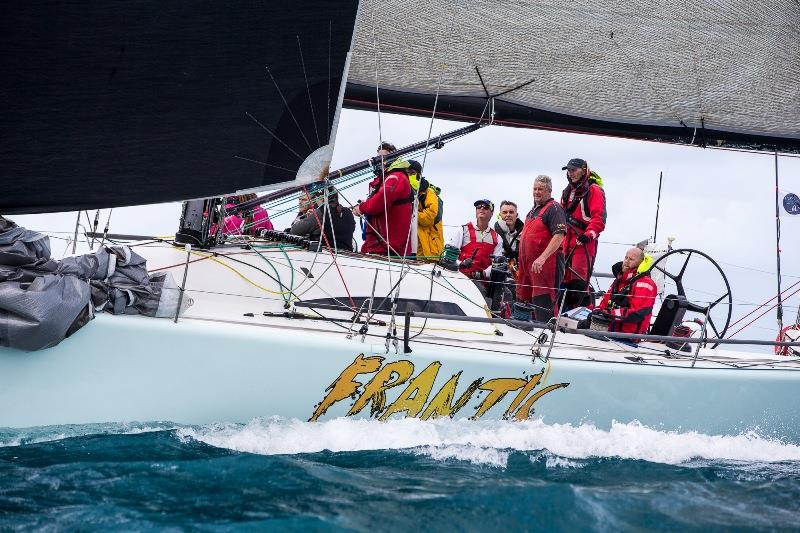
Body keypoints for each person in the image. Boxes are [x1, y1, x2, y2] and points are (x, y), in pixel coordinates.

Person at [515, 175, 566, 322]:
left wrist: (543, 258)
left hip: (545, 266)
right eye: (535, 189)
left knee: (543, 302)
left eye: (541, 189)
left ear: (549, 191)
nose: (537, 192)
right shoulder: (531, 212)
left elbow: (559, 235)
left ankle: (547, 332)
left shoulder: (554, 209)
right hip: (527, 268)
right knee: (522, 301)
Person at [560, 158, 606, 310]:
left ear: (584, 170)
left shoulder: (594, 191)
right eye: (569, 170)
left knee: (578, 286)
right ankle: (562, 316)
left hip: (583, 245)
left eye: (574, 170)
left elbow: (598, 220)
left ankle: (583, 317)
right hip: (565, 243)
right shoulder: (567, 191)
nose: (571, 173)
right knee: (562, 283)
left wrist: (589, 234)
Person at [352, 142, 414, 256]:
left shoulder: (395, 177)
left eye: (382, 158)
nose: (378, 161)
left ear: (392, 159)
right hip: (379, 245)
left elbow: (378, 203)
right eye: (377, 158)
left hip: (390, 248)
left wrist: (361, 207)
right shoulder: (384, 179)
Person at [593, 247, 657, 336]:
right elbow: (605, 302)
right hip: (609, 331)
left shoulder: (645, 283)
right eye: (626, 257)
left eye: (631, 259)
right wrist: (596, 312)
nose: (626, 261)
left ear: (640, 263)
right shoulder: (619, 280)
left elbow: (637, 313)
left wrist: (608, 314)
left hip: (628, 337)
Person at [444, 200, 502, 288]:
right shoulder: (462, 230)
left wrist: (484, 273)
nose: (482, 209)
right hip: (459, 281)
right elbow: (448, 256)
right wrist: (461, 263)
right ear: (476, 211)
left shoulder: (497, 237)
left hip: (483, 285)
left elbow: (498, 264)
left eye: (486, 207)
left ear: (492, 213)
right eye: (478, 207)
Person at [289, 187, 356, 251]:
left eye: (316, 198)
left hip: (324, 255)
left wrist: (304, 218)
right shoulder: (348, 212)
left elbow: (294, 231)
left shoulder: (320, 212)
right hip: (347, 256)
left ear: (320, 198)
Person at [408, 160, 444, 262]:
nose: (409, 176)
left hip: (428, 250)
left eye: (412, 173)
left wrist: (410, 212)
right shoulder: (405, 192)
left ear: (419, 174)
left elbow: (430, 217)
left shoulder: (429, 193)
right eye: (407, 173)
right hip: (409, 247)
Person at [494, 200, 524, 275]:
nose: (508, 215)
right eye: (504, 212)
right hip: (496, 275)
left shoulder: (526, 234)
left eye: (511, 212)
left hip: (519, 275)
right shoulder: (492, 233)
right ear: (500, 215)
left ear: (516, 215)